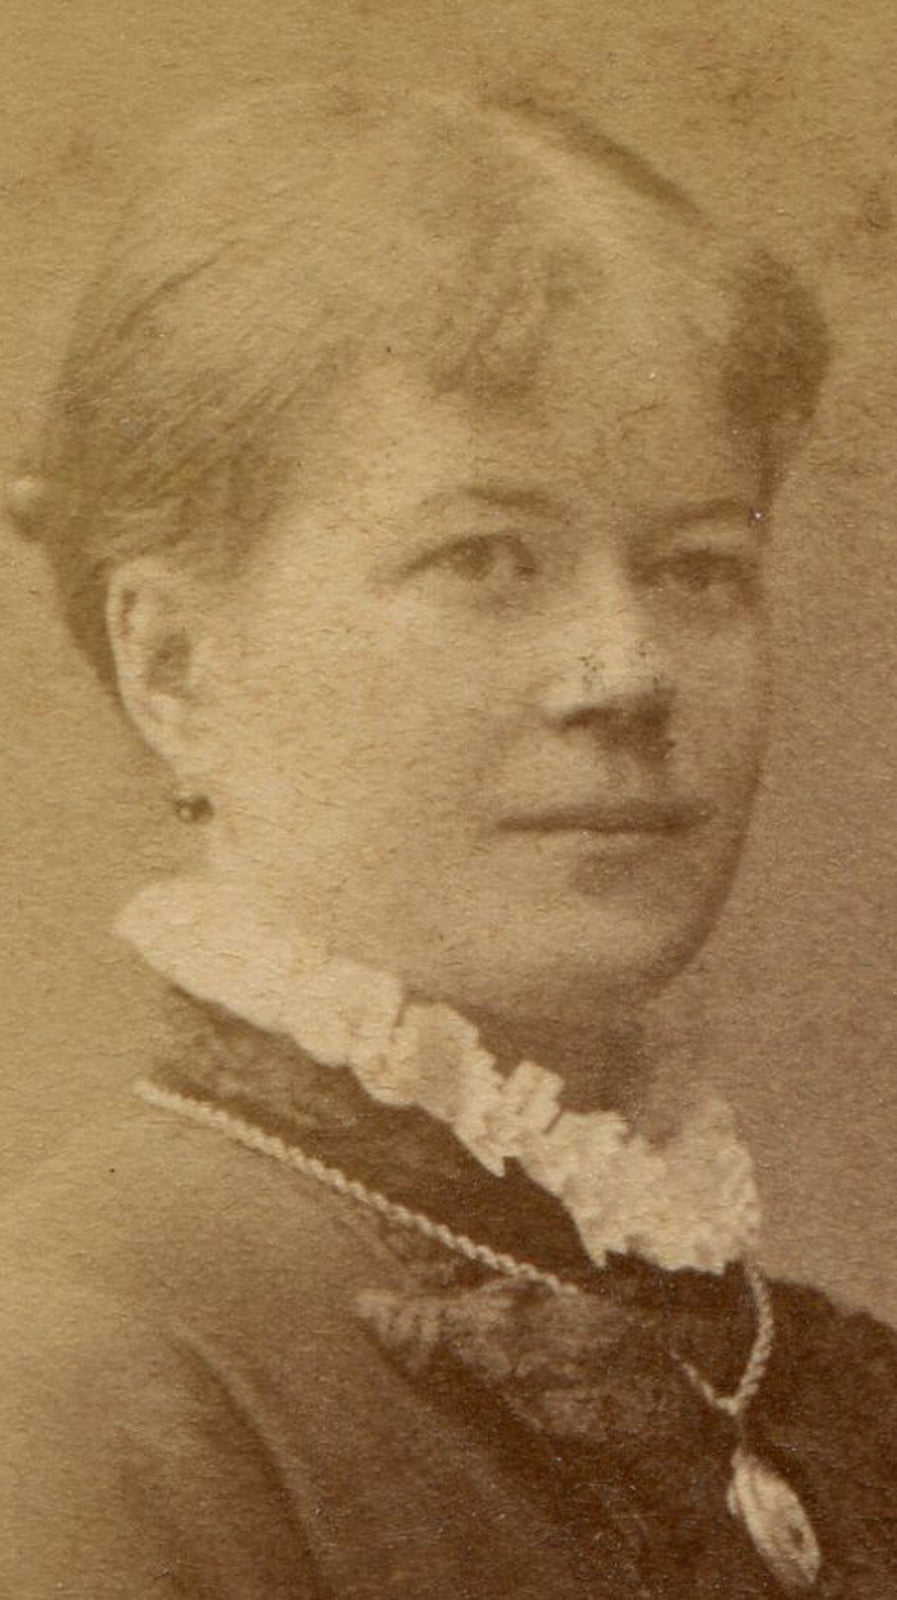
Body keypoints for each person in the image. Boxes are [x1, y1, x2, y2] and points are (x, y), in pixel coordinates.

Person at [2, 81, 895, 1599]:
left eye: (698, 567)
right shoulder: (80, 1364)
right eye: (483, 559)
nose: (626, 673)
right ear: (172, 664)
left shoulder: (807, 1376)